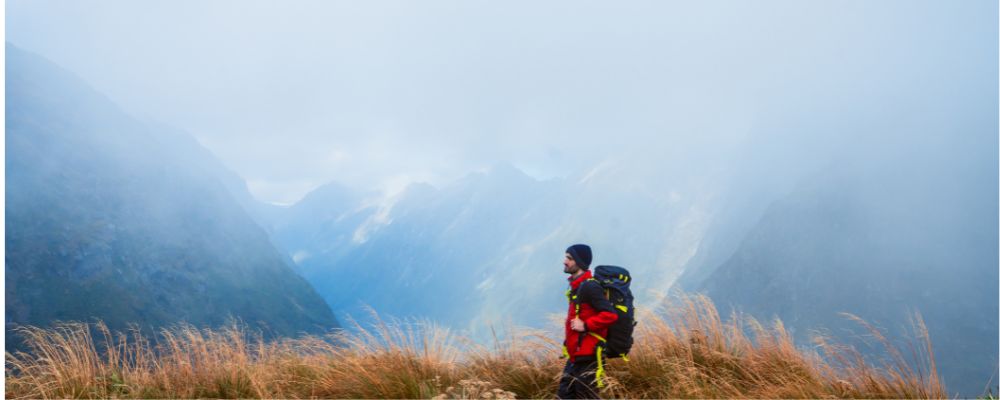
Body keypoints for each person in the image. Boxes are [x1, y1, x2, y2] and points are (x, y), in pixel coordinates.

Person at [557, 244, 618, 399]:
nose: (564, 261)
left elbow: (611, 315)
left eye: (569, 258)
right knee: (564, 395)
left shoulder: (590, 287)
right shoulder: (577, 287)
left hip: (588, 357)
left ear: (580, 262)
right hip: (575, 357)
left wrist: (585, 325)